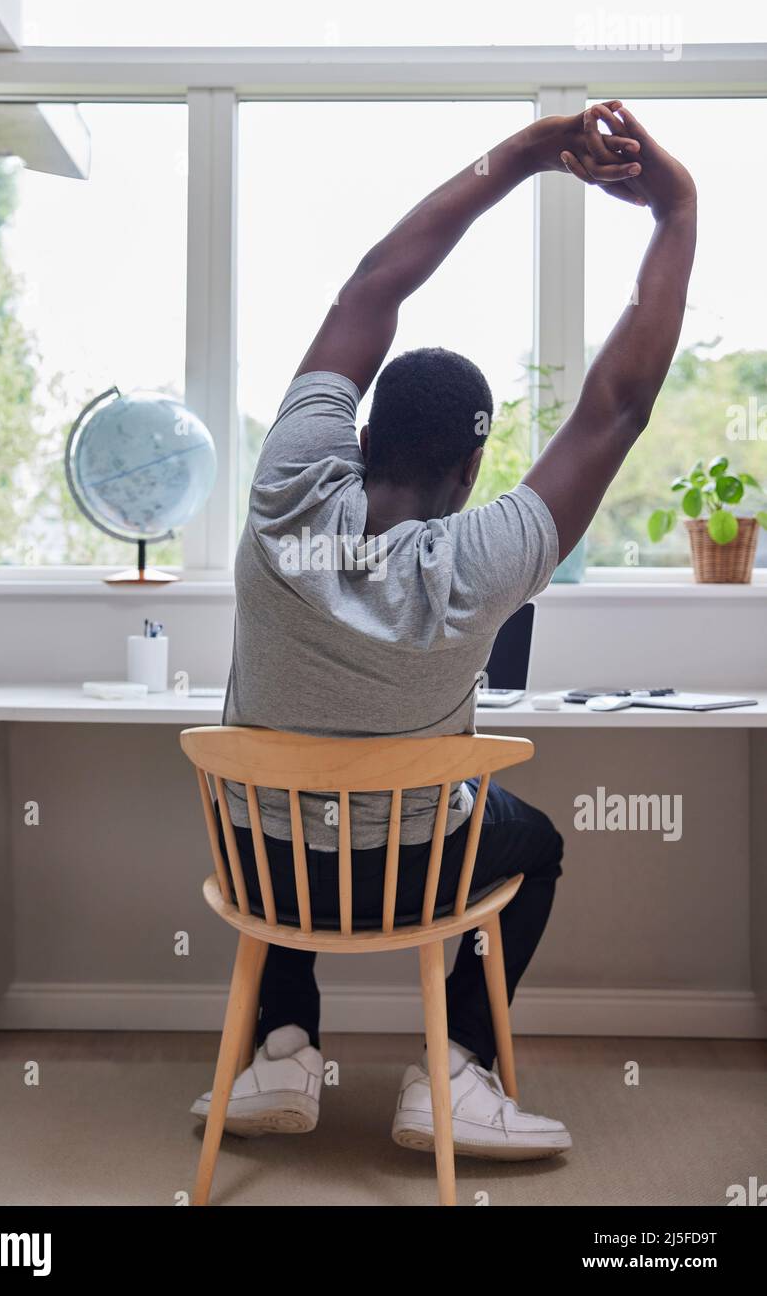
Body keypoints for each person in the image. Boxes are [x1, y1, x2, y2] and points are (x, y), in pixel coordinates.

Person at [192, 102, 697, 1160]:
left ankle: (284, 1049)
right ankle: (452, 1073)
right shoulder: (488, 557)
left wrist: (519, 156)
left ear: (357, 433)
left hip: (266, 870)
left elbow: (372, 288)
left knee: (290, 796)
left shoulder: (285, 490)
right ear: (474, 475)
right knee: (535, 840)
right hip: (413, 874)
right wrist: (674, 213)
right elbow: (617, 405)